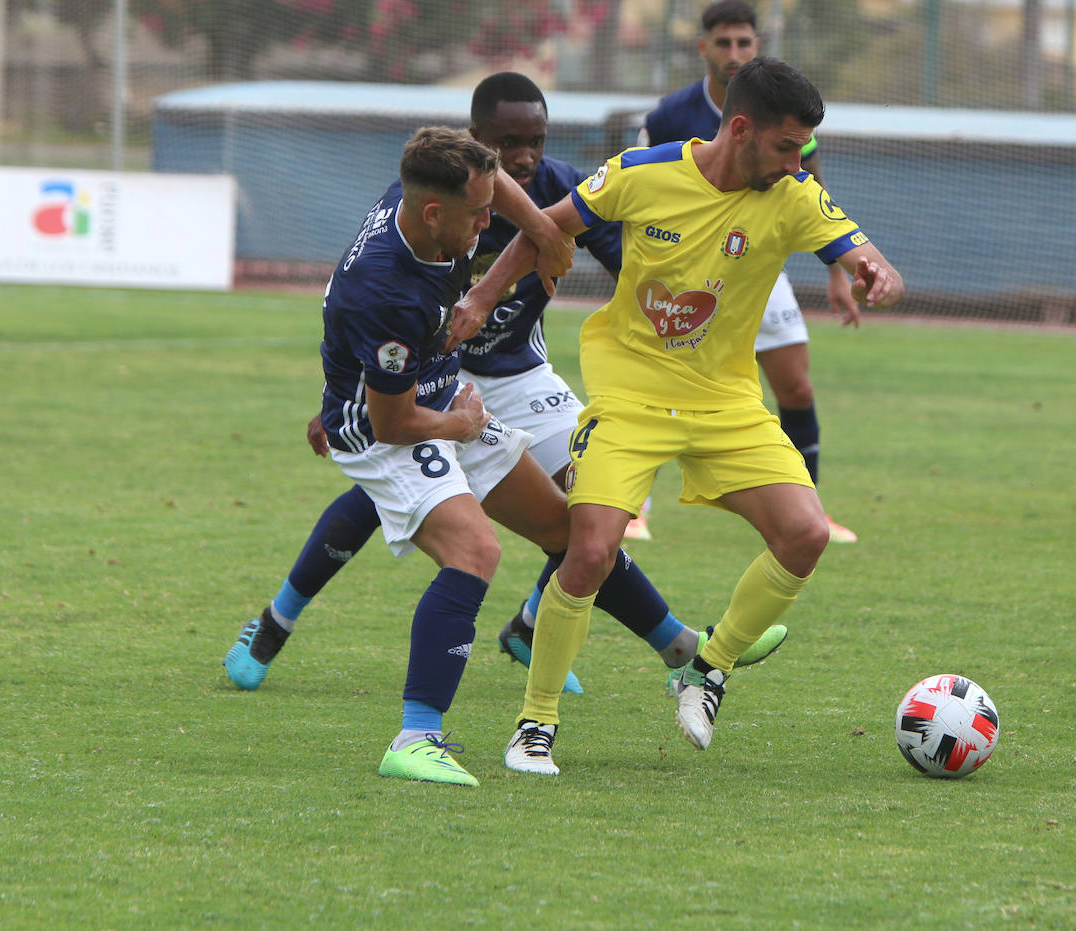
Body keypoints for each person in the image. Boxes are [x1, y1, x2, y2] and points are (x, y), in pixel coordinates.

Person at [224, 77, 787, 775]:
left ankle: (675, 649)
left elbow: (508, 197)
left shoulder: (442, 198)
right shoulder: (388, 291)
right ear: (434, 214)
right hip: (389, 423)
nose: (490, 226)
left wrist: (545, 233)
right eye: (478, 217)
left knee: (569, 533)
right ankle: (412, 739)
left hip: (444, 389)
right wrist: (455, 426)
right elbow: (392, 418)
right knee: (474, 550)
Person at [453, 58, 904, 771]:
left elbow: (860, 250)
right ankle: (535, 722)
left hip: (725, 402)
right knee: (591, 549)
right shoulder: (641, 172)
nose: (799, 164)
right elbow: (543, 228)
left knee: (806, 534)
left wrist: (874, 270)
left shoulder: (794, 196)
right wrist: (481, 299)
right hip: (631, 396)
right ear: (743, 128)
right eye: (788, 147)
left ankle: (707, 668)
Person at [630, 0, 860, 546]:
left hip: (757, 271)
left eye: (745, 43)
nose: (735, 52)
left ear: (757, 46)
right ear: (704, 46)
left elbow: (812, 189)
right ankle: (634, 507)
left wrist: (838, 272)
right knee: (651, 389)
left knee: (797, 386)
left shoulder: (783, 110)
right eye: (724, 43)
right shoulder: (668, 115)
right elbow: (636, 197)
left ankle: (812, 507)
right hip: (684, 277)